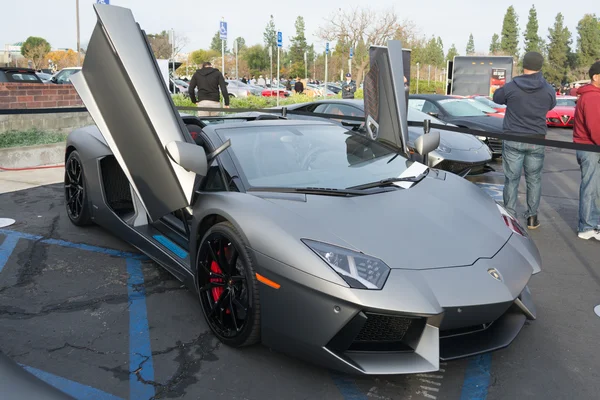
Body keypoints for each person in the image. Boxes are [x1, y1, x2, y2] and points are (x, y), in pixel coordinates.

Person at [493, 51, 556, 229]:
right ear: (540, 66)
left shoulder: (512, 86)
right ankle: (532, 217)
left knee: (511, 179)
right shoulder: (548, 89)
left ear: (524, 65)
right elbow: (551, 104)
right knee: (534, 179)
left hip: (513, 137)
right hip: (537, 139)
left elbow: (496, 97)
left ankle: (510, 216)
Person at [573, 61, 600, 240]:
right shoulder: (592, 97)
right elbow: (596, 128)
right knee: (590, 187)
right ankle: (586, 227)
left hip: (590, 147)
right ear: (596, 77)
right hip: (590, 148)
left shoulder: (593, 95)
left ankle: (593, 223)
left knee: (595, 187)